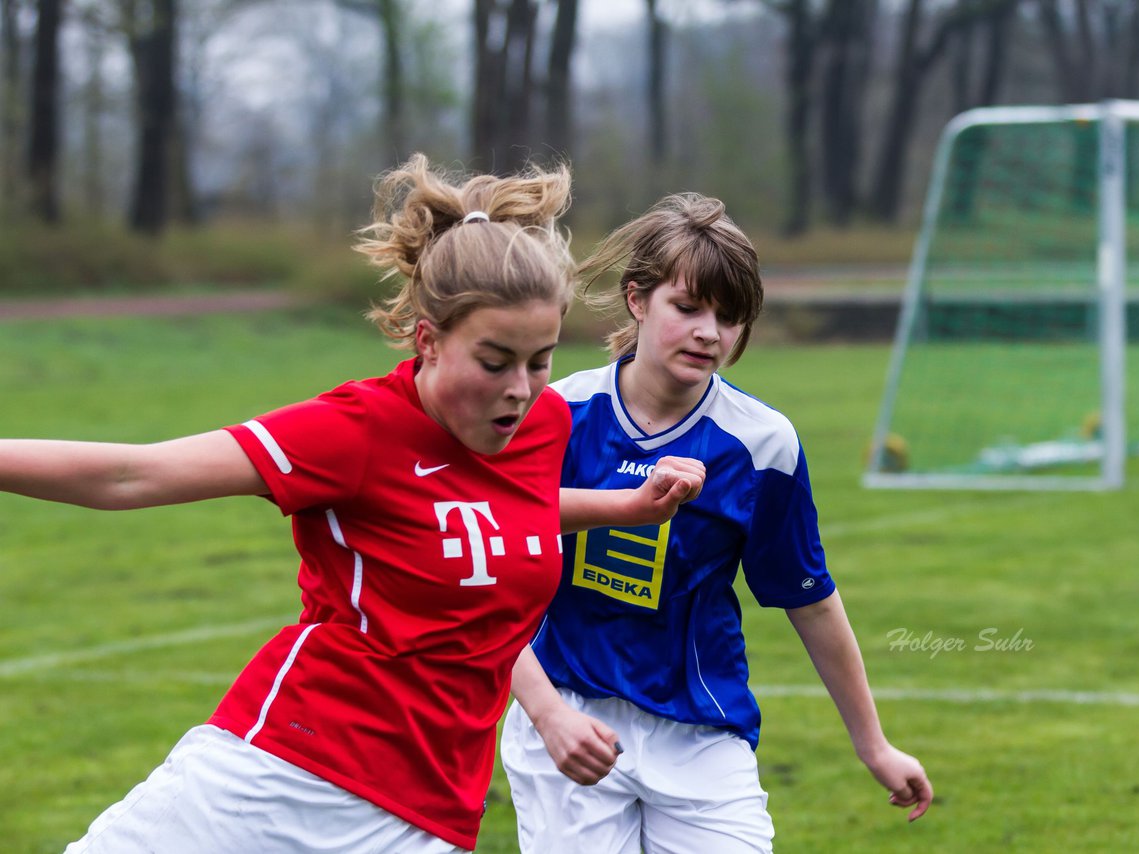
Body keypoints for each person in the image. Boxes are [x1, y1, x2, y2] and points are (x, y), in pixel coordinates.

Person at [0, 155, 704, 854]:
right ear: (428, 340)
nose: (520, 388)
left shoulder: (542, 426)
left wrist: (623, 508)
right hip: (282, 775)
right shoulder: (356, 430)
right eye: (494, 362)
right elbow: (135, 475)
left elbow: (491, 518)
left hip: (432, 813)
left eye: (540, 359)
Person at [500, 193, 932, 853]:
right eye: (689, 307)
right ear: (637, 299)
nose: (710, 332)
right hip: (569, 711)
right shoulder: (557, 413)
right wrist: (545, 714)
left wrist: (874, 745)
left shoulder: (762, 445)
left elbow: (810, 601)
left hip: (701, 730)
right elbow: (486, 579)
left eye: (730, 318)